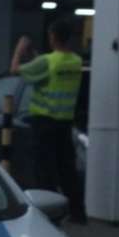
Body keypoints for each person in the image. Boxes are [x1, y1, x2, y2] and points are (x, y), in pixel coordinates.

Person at [11, 18, 86, 223]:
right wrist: (34, 56)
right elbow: (47, 70)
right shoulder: (75, 62)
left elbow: (15, 69)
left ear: (52, 37)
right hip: (64, 123)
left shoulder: (47, 61)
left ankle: (49, 214)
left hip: (44, 122)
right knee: (67, 170)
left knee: (44, 170)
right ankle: (78, 214)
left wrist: (19, 50)